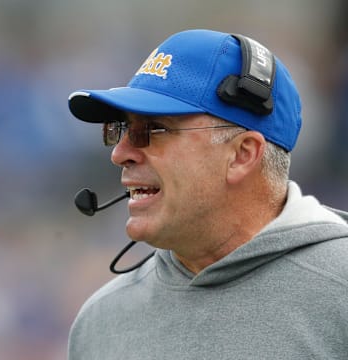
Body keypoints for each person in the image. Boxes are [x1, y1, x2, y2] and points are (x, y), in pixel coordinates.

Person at [67, 29, 348, 359]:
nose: (120, 153)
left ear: (243, 154)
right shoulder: (100, 321)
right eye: (120, 129)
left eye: (152, 129)